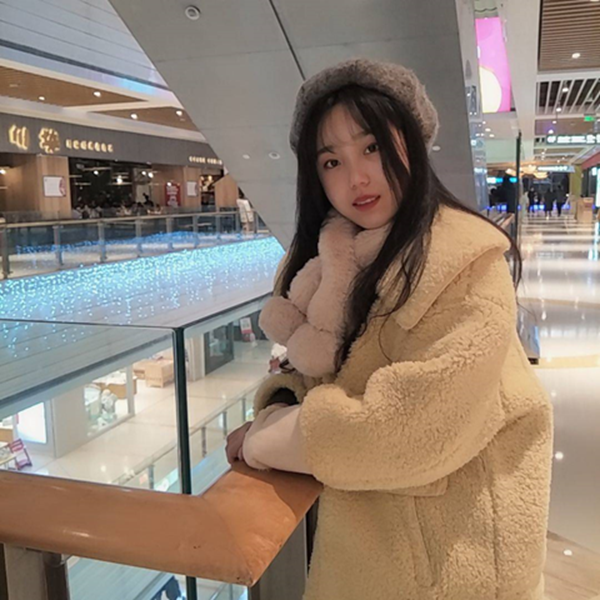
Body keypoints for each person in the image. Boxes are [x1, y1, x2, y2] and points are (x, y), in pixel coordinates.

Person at [225, 59, 553, 599]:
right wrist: (283, 399)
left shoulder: (462, 262)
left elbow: (406, 430)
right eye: (332, 161)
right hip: (371, 560)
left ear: (413, 144)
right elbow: (331, 374)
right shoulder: (337, 261)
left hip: (454, 572)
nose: (356, 177)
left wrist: (267, 437)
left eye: (373, 146)